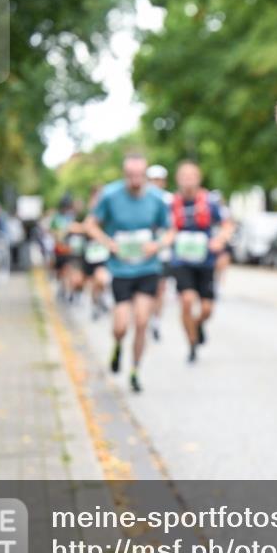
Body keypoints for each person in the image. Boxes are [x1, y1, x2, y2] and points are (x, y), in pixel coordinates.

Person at [84, 153, 174, 393]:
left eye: (139, 175)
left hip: (148, 268)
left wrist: (157, 245)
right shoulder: (110, 195)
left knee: (142, 321)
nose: (135, 180)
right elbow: (90, 224)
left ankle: (135, 370)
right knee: (121, 326)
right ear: (124, 175)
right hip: (121, 270)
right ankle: (117, 346)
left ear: (145, 175)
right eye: (130, 175)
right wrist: (108, 242)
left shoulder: (157, 199)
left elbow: (171, 230)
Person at [170, 161, 234, 362]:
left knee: (207, 309)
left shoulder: (210, 202)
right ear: (178, 179)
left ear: (198, 179)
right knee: (187, 300)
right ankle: (191, 343)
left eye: (192, 176)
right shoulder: (170, 204)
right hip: (181, 262)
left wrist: (220, 240)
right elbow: (161, 227)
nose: (188, 180)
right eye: (184, 176)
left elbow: (227, 224)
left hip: (205, 261)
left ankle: (197, 325)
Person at [147, 164, 174, 341]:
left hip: (162, 250)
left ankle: (156, 321)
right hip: (144, 251)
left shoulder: (169, 200)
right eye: (153, 180)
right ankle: (145, 316)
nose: (156, 183)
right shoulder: (141, 199)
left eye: (159, 180)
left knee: (160, 287)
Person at [81, 185, 111, 320]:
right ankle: (95, 304)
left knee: (102, 278)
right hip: (91, 253)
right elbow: (85, 228)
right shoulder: (90, 213)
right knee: (94, 283)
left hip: (105, 252)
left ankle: (103, 299)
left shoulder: (109, 211)